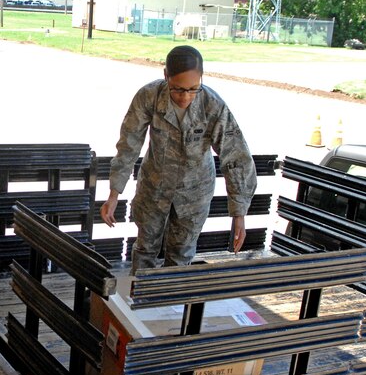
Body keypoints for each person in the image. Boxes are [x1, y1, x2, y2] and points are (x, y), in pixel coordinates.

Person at [100, 45, 257, 273]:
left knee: (181, 255)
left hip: (194, 194)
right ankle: (140, 304)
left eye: (193, 89)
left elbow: (236, 157)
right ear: (166, 76)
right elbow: (129, 145)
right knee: (145, 250)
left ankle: (171, 307)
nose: (185, 96)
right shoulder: (149, 97)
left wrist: (239, 214)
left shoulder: (212, 106)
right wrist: (114, 193)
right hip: (154, 190)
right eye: (178, 89)